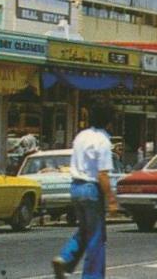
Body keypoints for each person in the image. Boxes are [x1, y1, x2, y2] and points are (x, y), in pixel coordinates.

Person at [52, 103, 118, 279]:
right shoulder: (103, 141)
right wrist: (111, 199)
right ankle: (92, 276)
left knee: (85, 229)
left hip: (76, 187)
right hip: (91, 189)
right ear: (109, 122)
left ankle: (65, 258)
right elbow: (102, 174)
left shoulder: (81, 136)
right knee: (97, 236)